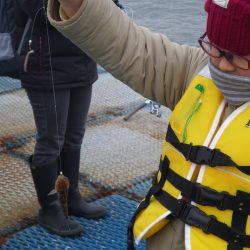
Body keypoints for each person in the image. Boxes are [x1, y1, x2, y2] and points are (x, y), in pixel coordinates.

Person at [47, 0, 250, 249]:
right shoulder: (196, 71)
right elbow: (130, 47)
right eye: (215, 48)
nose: (222, 65)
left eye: (238, 57)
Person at [14, 0, 109, 237]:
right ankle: (50, 209)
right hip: (45, 64)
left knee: (74, 136)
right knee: (51, 140)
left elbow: (109, 10)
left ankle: (71, 197)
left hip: (82, 61)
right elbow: (39, 10)